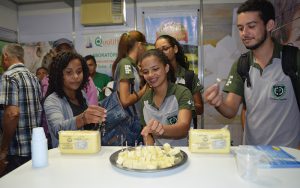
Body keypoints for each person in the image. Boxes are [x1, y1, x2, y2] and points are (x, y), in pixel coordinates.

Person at [204, 0, 300, 148]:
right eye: (240, 28)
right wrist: (218, 102)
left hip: (289, 160)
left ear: (269, 25)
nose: (244, 33)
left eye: (251, 26)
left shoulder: (293, 59)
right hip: (253, 156)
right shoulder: (242, 64)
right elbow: (230, 110)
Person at [43, 51, 106, 148]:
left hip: (84, 153)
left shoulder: (82, 94)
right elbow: (58, 130)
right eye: (69, 72)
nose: (76, 77)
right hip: (64, 158)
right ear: (59, 75)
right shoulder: (52, 100)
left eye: (79, 71)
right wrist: (82, 119)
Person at [0, 43, 42, 177]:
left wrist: (3, 149)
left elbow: (12, 114)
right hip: (35, 148)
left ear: (5, 56)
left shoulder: (8, 76)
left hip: (16, 150)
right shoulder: (33, 77)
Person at [140, 49, 194, 146]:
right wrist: (150, 152)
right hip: (159, 156)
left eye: (155, 69)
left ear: (166, 68)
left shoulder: (182, 93)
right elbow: (147, 134)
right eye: (145, 72)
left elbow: (184, 127)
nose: (151, 75)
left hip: (184, 153)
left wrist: (162, 129)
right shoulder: (144, 100)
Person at [155, 35, 203, 128]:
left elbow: (200, 108)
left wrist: (181, 105)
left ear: (175, 49)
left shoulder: (188, 76)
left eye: (165, 48)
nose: (162, 53)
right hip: (162, 133)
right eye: (158, 51)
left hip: (186, 132)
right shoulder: (155, 78)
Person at [40, 38, 98, 105]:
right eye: (68, 72)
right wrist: (83, 115)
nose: (75, 76)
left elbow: (93, 108)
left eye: (79, 72)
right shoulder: (47, 81)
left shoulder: (86, 81)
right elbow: (49, 111)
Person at [112, 30, 148, 116]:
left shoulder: (132, 65)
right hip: (127, 122)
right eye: (145, 45)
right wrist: (144, 90)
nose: (145, 49)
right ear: (139, 45)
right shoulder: (126, 64)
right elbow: (125, 101)